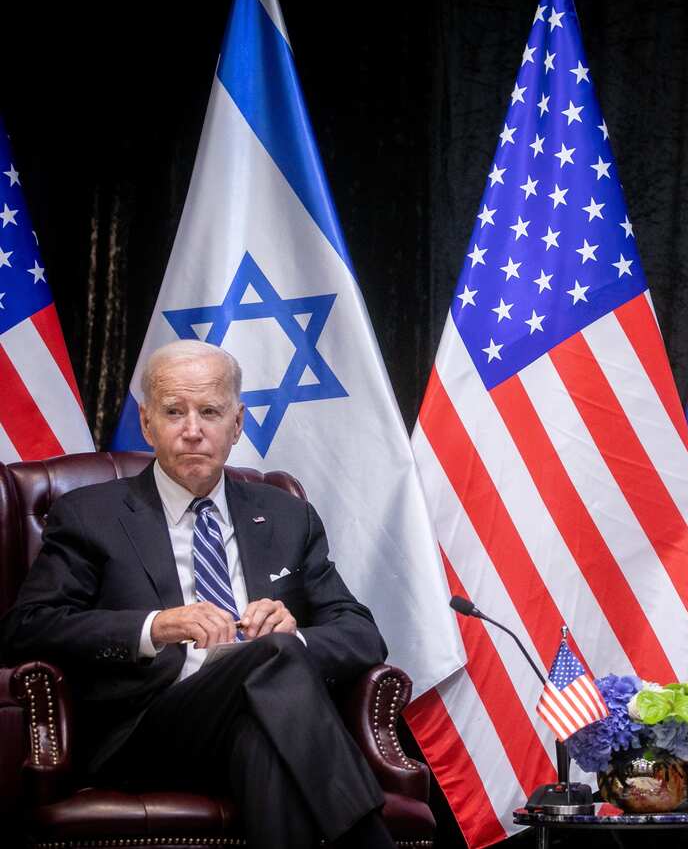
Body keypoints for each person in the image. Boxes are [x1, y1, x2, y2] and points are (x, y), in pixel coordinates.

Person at [1, 340, 396, 849]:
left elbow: (362, 634)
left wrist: (295, 637)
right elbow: (27, 627)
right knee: (271, 657)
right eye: (174, 412)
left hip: (262, 720)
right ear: (147, 424)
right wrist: (155, 627)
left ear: (237, 423)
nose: (192, 430)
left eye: (210, 412)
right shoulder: (89, 514)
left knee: (263, 729)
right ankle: (368, 837)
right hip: (147, 732)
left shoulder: (286, 514)